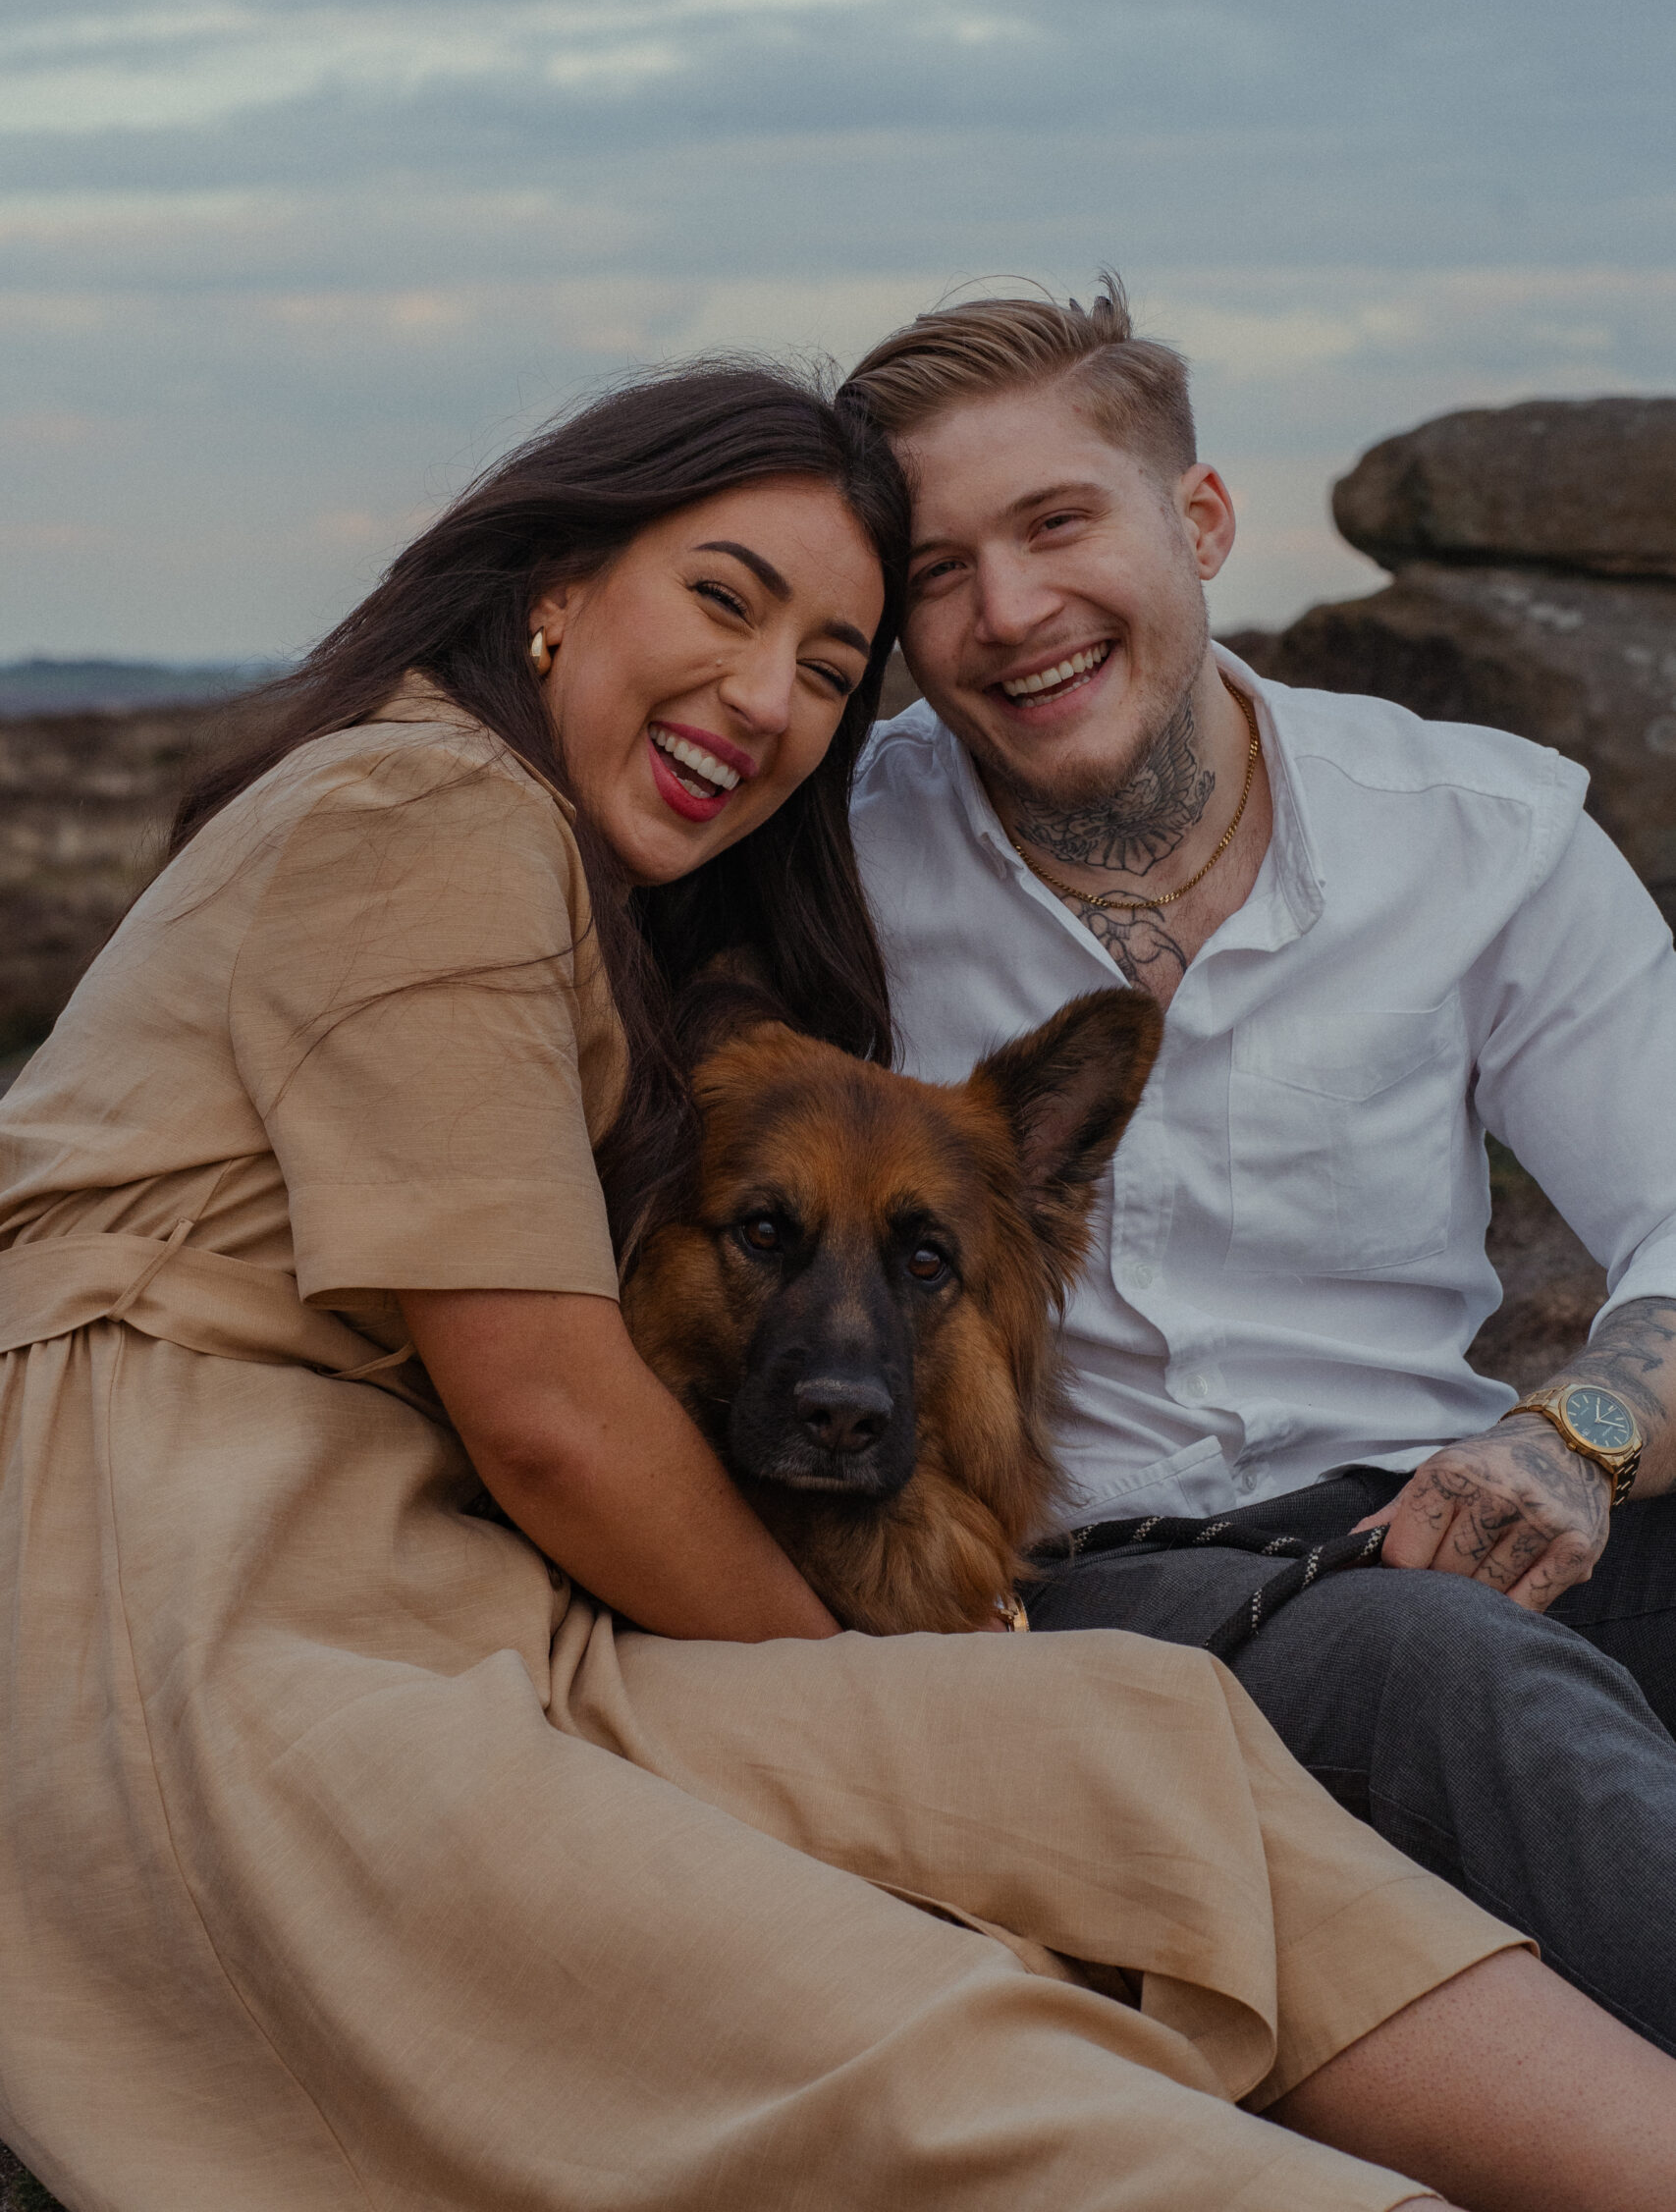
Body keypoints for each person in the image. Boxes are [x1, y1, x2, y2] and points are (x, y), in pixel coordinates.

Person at [2, 361, 1670, 2212]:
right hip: (195, 1592)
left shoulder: (571, 855)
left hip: (391, 1568)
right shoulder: (431, 812)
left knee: (1130, 1740)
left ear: (1197, 525)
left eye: (822, 662)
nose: (764, 696)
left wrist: (1579, 1432)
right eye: (726, 599)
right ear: (555, 579)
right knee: (995, 1959)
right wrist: (909, 1690)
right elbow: (554, 1416)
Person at [843, 281, 1676, 2057]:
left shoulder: (1480, 833)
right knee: (1443, 1679)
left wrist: (1573, 1431)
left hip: (1440, 1496)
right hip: (1096, 1588)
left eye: (1059, 523)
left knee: (1485, 1637)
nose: (1012, 613)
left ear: (1200, 519)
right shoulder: (826, 871)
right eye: (936, 571)